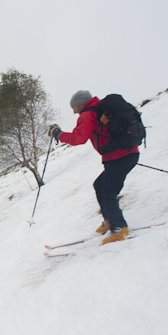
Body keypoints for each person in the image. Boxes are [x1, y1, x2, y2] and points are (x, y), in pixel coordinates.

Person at [47, 90, 139, 244]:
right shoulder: (99, 109)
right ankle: (110, 220)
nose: (73, 111)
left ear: (80, 104)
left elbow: (78, 138)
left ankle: (119, 230)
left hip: (119, 157)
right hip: (125, 155)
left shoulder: (88, 114)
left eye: (74, 107)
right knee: (99, 185)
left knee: (108, 194)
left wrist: (58, 134)